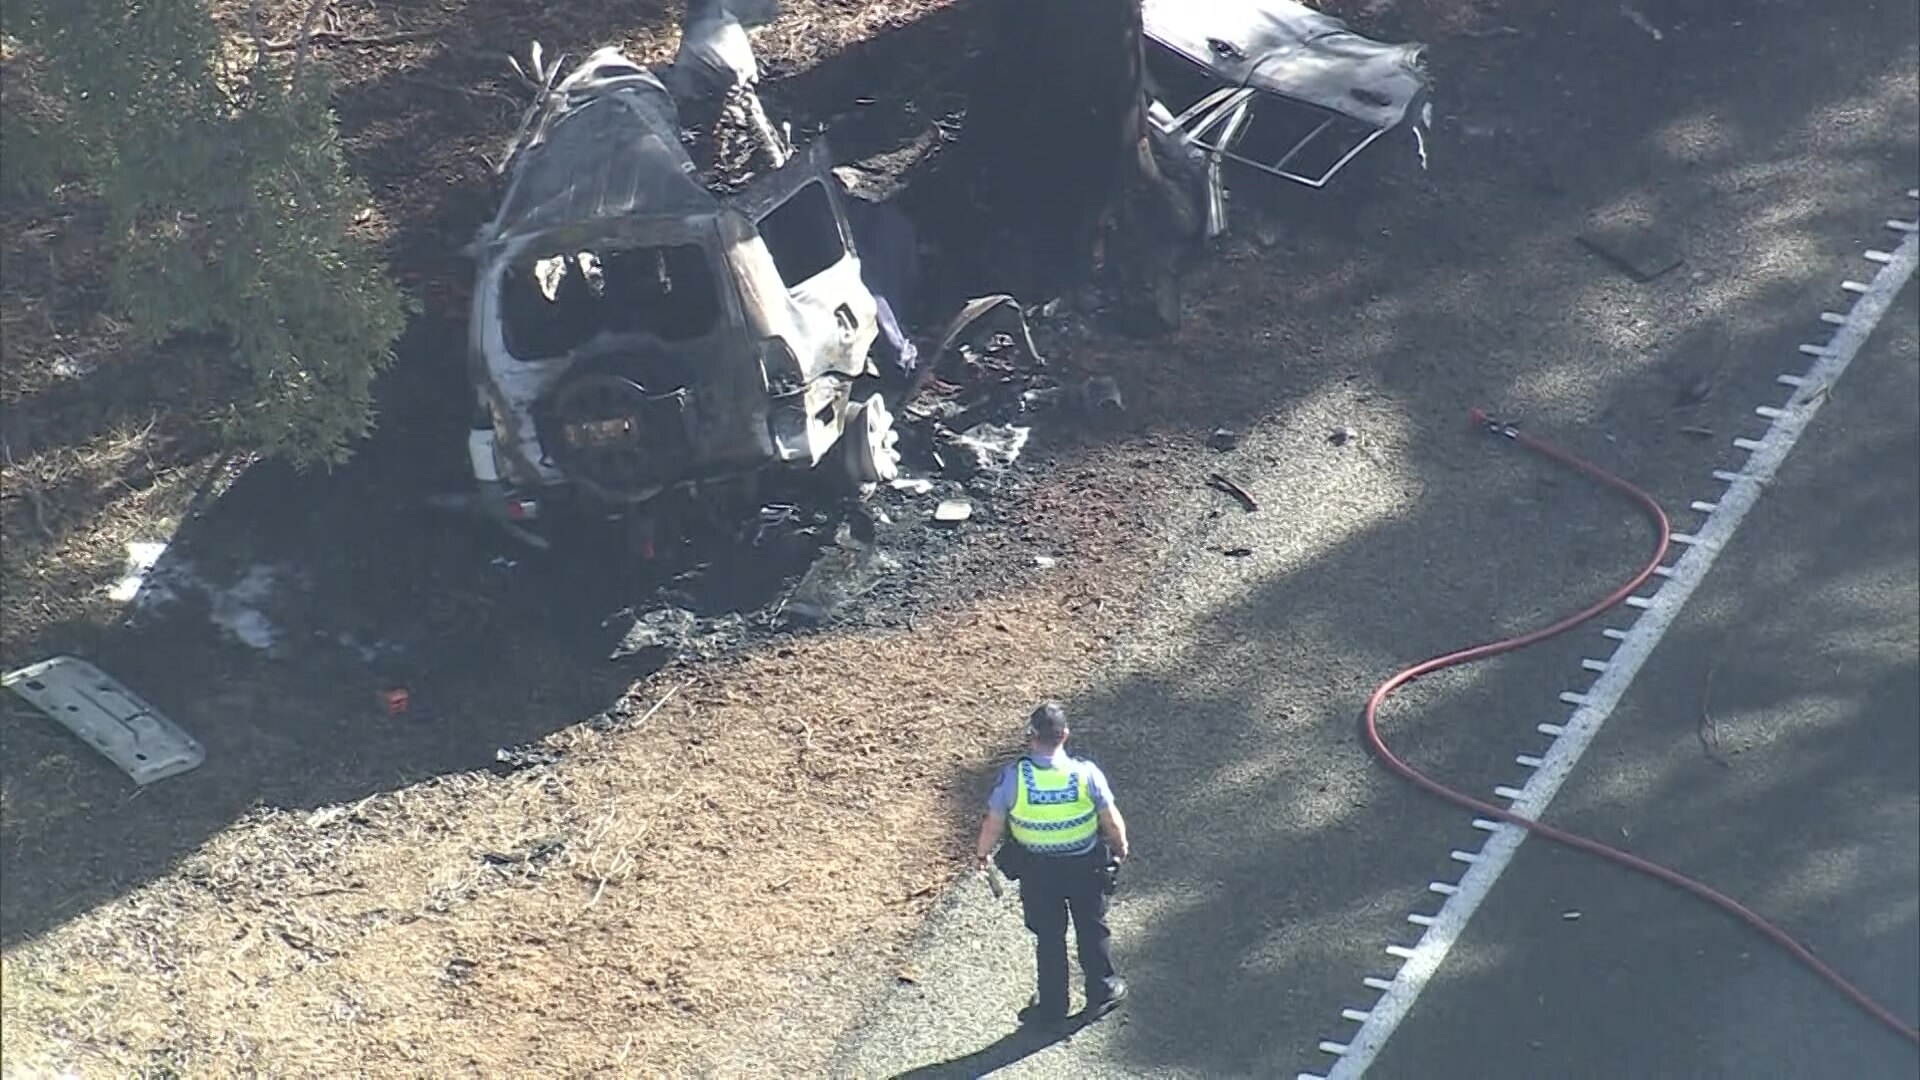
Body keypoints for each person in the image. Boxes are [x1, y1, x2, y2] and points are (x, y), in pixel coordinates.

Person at [974, 702, 1131, 1027]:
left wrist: (982, 853)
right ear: (1065, 735)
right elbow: (1111, 819)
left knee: (1048, 936)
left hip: (1037, 871)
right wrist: (1120, 847)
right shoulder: (1086, 774)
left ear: (1031, 737)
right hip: (1086, 866)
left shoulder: (1014, 778)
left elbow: (993, 822)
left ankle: (1052, 1006)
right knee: (1092, 927)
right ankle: (1102, 990)